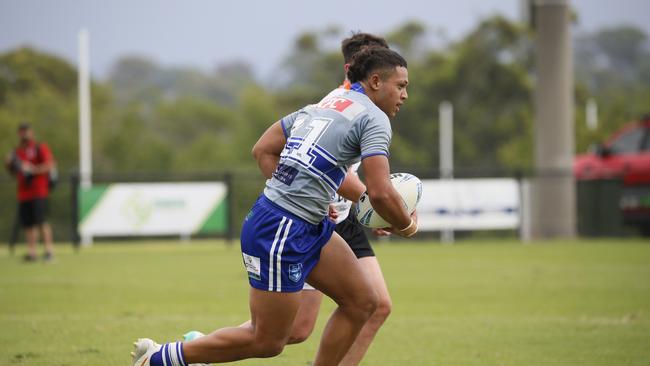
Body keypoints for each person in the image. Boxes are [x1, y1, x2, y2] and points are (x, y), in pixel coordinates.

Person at [132, 46, 416, 366]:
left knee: (362, 302)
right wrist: (406, 224)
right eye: (401, 85)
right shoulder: (375, 118)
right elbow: (379, 193)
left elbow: (263, 149)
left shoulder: (324, 104)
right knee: (268, 341)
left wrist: (299, 190)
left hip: (302, 223)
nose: (405, 95)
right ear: (376, 81)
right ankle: (160, 359)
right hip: (282, 228)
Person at [284, 32, 396, 366]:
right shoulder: (335, 104)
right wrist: (377, 205)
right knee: (294, 330)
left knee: (378, 306)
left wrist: (368, 210)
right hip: (318, 219)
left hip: (344, 220)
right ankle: (196, 347)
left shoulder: (369, 109)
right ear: (352, 68)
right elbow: (341, 174)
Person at [4, 123, 56, 262]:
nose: (24, 135)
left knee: (41, 221)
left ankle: (49, 251)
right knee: (28, 224)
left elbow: (49, 165)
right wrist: (8, 163)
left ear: (31, 132)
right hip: (23, 193)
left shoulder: (39, 148)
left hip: (39, 191)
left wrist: (33, 169)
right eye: (21, 132)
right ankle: (32, 252)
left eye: (26, 132)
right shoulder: (17, 152)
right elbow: (12, 171)